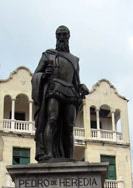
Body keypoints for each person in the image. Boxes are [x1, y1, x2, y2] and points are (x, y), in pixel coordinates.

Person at [32, 25, 89, 162]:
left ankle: (69, 158)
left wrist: (82, 86)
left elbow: (76, 81)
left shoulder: (75, 60)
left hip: (70, 92)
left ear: (68, 37)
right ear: (56, 37)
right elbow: (36, 74)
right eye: (59, 35)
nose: (62, 37)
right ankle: (49, 154)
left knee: (69, 126)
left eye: (64, 35)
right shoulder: (48, 55)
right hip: (54, 89)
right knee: (52, 119)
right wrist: (44, 75)